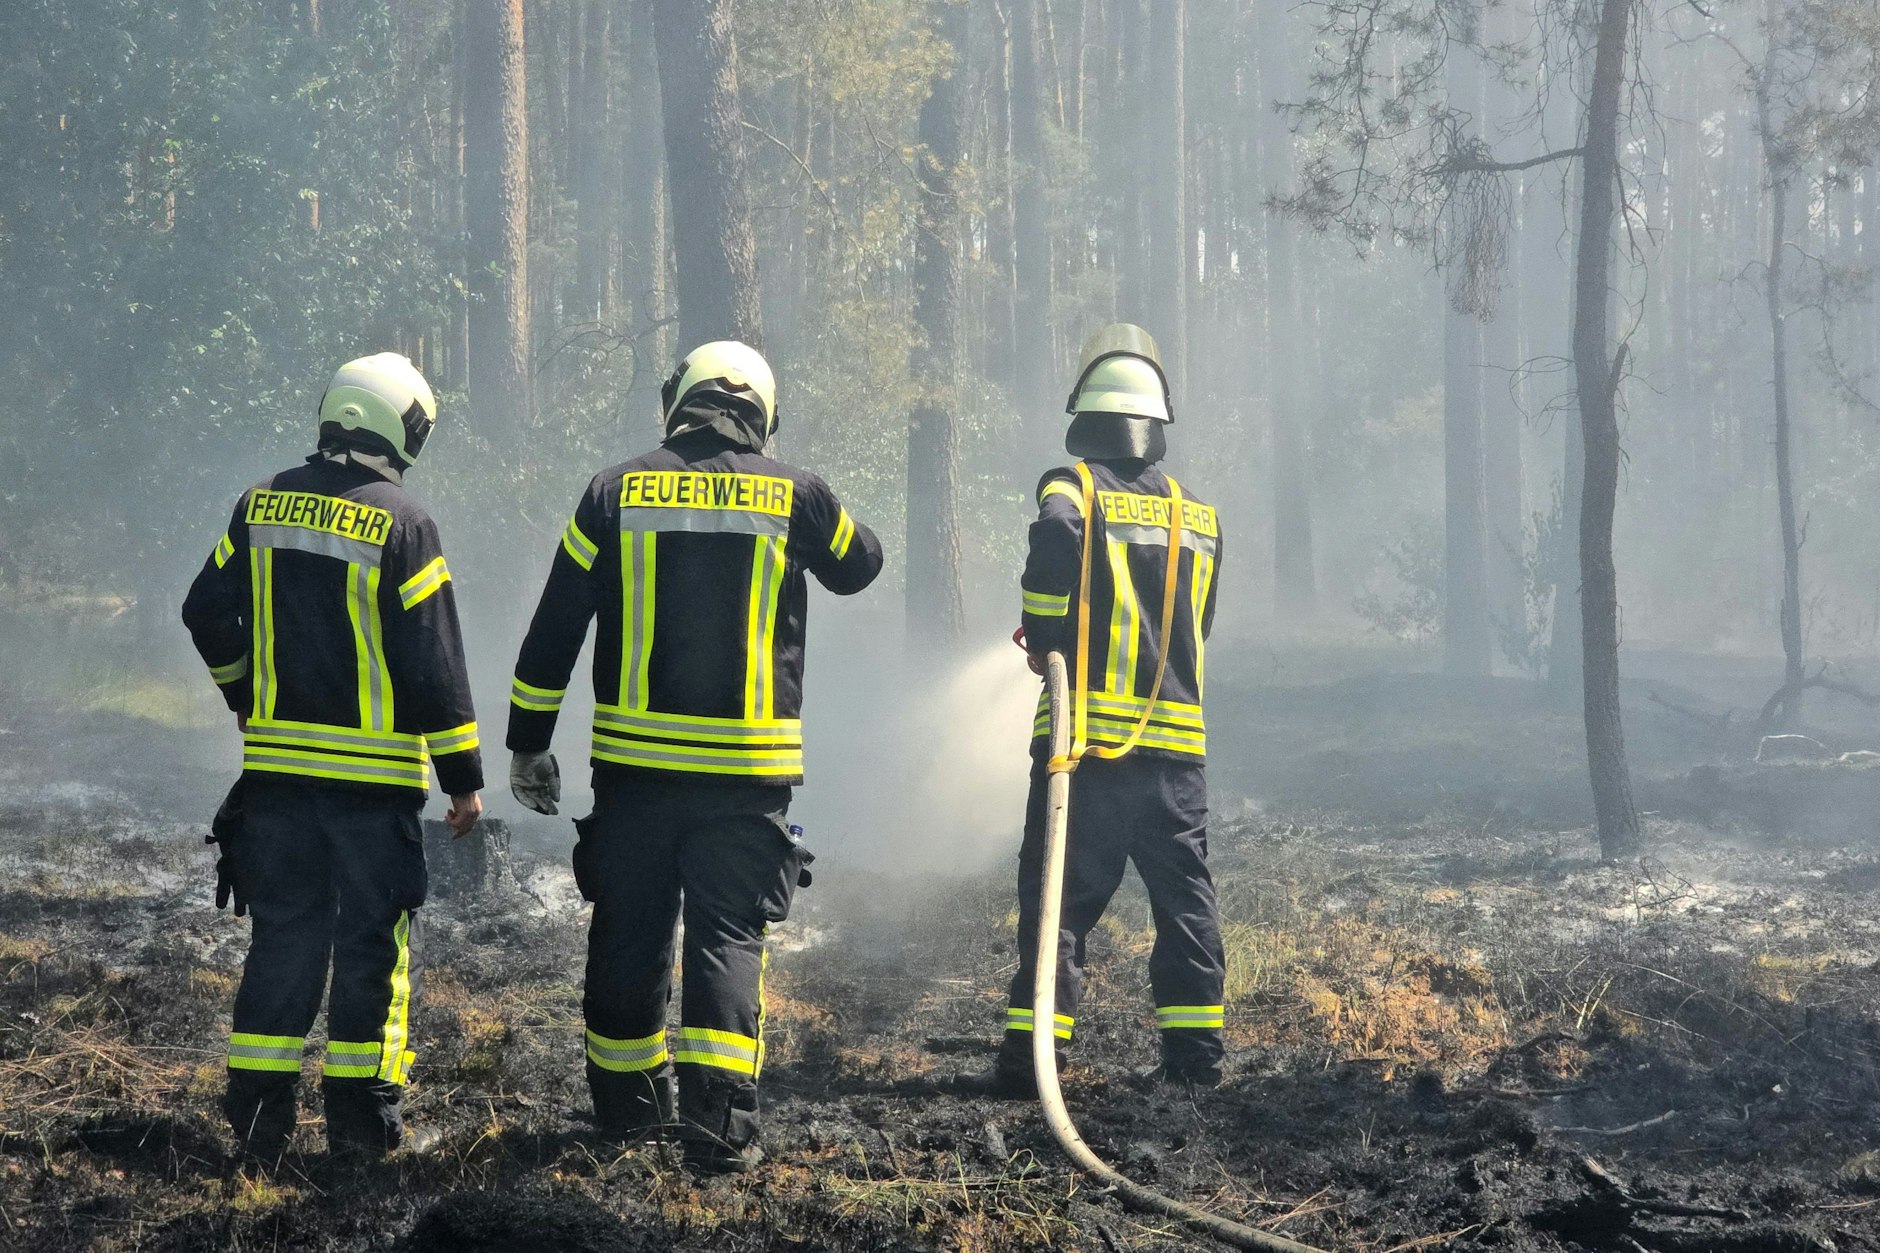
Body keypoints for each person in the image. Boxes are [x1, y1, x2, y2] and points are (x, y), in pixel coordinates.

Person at [505, 340, 882, 1174]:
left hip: (634, 776)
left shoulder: (613, 490)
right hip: (745, 779)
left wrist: (528, 738)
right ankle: (718, 1129)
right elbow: (862, 565)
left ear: (679, 401)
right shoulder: (797, 493)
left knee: (628, 931)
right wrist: (803, 505)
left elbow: (556, 623)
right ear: (762, 411)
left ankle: (626, 1115)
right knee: (726, 936)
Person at [181, 352, 484, 1164]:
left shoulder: (261, 505)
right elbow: (433, 663)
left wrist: (243, 695)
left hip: (277, 785)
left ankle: (258, 1125)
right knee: (370, 952)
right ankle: (360, 1127)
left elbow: (204, 609)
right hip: (369, 790)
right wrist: (463, 781)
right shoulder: (403, 522)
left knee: (282, 940)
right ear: (398, 426)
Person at [974, 324, 1227, 1095]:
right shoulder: (1200, 517)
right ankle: (1196, 1061)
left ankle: (1031, 1063)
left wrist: (1044, 627)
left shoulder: (1069, 488)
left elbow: (1054, 542)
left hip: (1083, 758)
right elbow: (1199, 624)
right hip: (1174, 761)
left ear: (1087, 418)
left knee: (1057, 905)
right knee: (1185, 903)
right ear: (1155, 427)